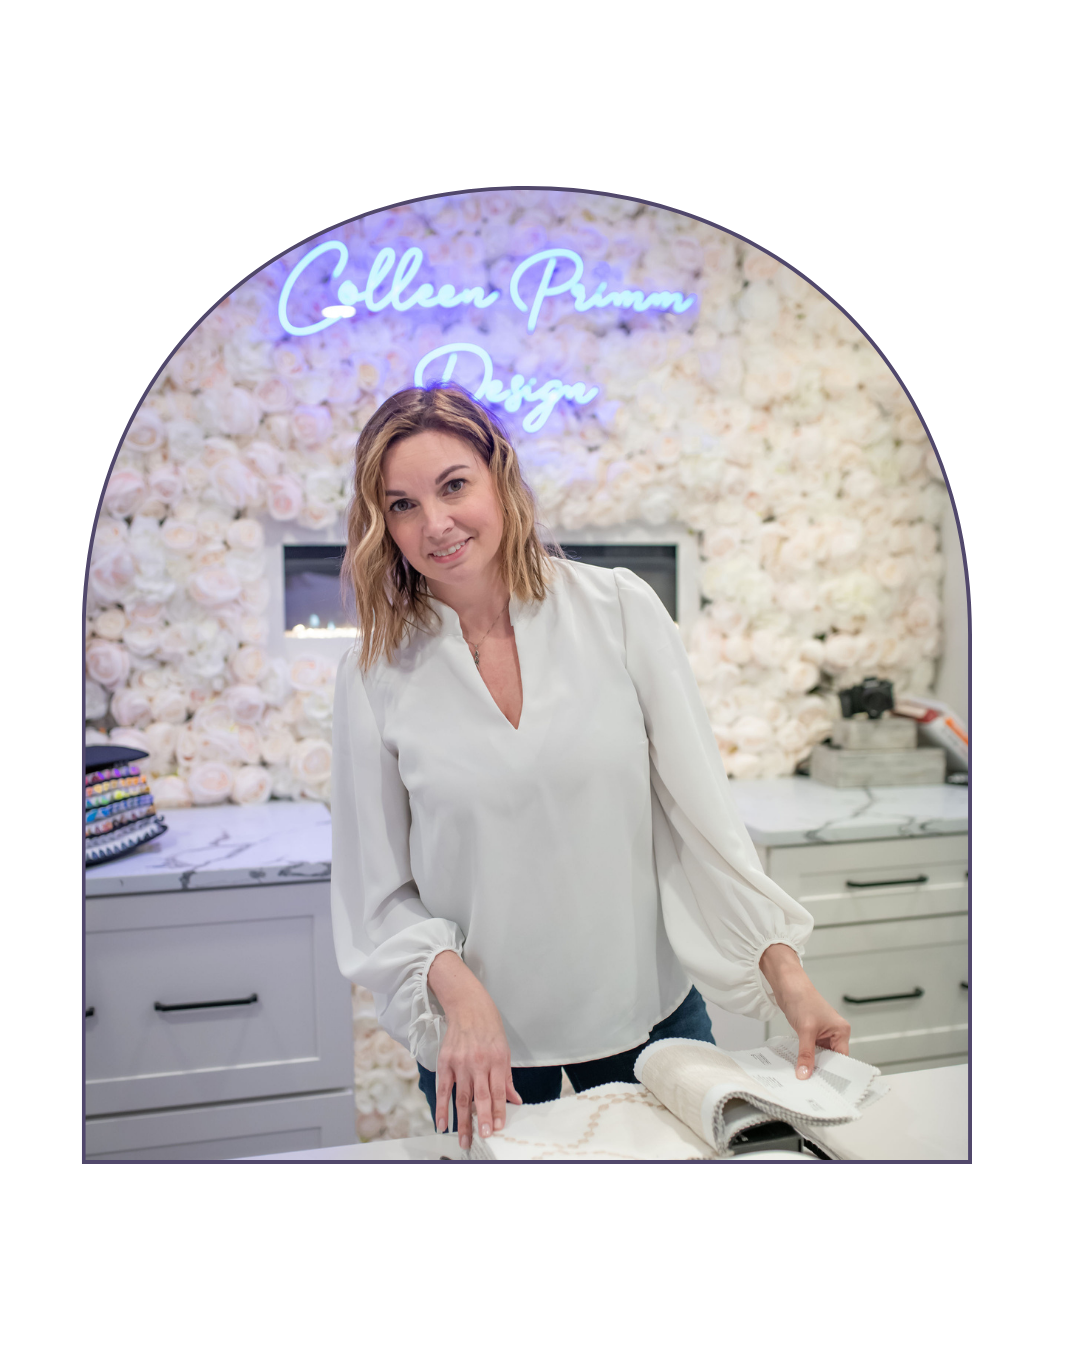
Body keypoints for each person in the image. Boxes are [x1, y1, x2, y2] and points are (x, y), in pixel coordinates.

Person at [331, 384, 851, 1152]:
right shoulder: (374, 671)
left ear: (500, 477)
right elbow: (377, 889)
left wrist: (788, 976)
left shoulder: (617, 609)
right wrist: (455, 986)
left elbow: (703, 821)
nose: (435, 523)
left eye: (453, 486)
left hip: (646, 1020)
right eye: (402, 504)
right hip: (481, 1047)